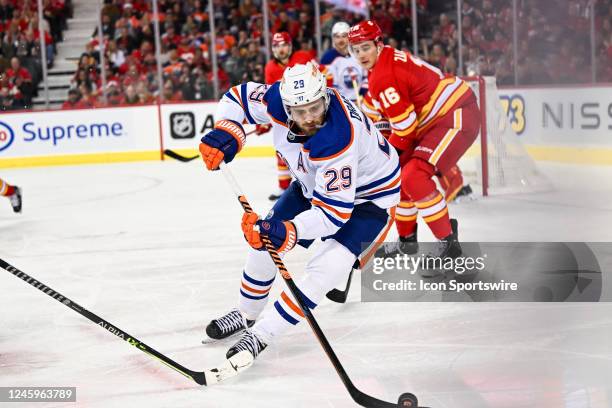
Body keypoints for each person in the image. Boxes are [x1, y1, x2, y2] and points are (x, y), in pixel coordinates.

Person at [198, 62, 400, 366]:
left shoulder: (337, 137)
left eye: (315, 108)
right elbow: (237, 97)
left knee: (326, 269)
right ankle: (246, 315)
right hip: (311, 182)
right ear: (287, 105)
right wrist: (229, 129)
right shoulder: (276, 100)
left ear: (326, 98)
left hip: (371, 198)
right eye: (300, 111)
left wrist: (287, 232)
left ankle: (262, 334)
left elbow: (333, 215)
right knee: (262, 242)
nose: (308, 118)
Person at [348, 20, 481, 258]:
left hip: (455, 115)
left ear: (378, 44)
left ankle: (448, 242)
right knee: (403, 179)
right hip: (437, 119)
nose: (360, 55)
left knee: (412, 175)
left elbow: (405, 128)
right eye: (355, 50)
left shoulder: (383, 76)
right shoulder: (385, 59)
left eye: (365, 47)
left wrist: (387, 159)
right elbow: (375, 104)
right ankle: (407, 242)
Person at [263, 32, 317, 201]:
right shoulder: (270, 67)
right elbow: (271, 95)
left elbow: (321, 75)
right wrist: (266, 120)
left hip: (309, 111)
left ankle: (314, 183)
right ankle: (284, 187)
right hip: (286, 115)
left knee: (311, 148)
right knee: (282, 148)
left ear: (290, 46)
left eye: (284, 45)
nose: (281, 49)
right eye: (277, 46)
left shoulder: (303, 57)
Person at [320, 22, 368, 105]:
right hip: (340, 105)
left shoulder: (359, 54)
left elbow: (367, 77)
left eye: (344, 36)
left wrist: (363, 96)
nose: (340, 40)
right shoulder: (327, 58)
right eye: (337, 36)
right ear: (333, 38)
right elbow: (326, 87)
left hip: (361, 102)